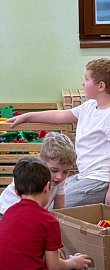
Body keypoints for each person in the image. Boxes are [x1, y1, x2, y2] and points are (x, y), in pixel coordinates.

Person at [9, 59, 110, 208]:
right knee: (43, 195)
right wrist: (28, 116)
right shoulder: (89, 107)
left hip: (100, 180)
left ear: (100, 86)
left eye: (86, 79)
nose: (83, 83)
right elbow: (59, 116)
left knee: (48, 207)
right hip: (84, 176)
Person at [0, 132, 75, 251]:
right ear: (42, 161)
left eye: (65, 172)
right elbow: (23, 215)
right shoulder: (29, 176)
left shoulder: (59, 180)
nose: (59, 177)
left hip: (34, 213)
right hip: (7, 212)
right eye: (54, 170)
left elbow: (59, 211)